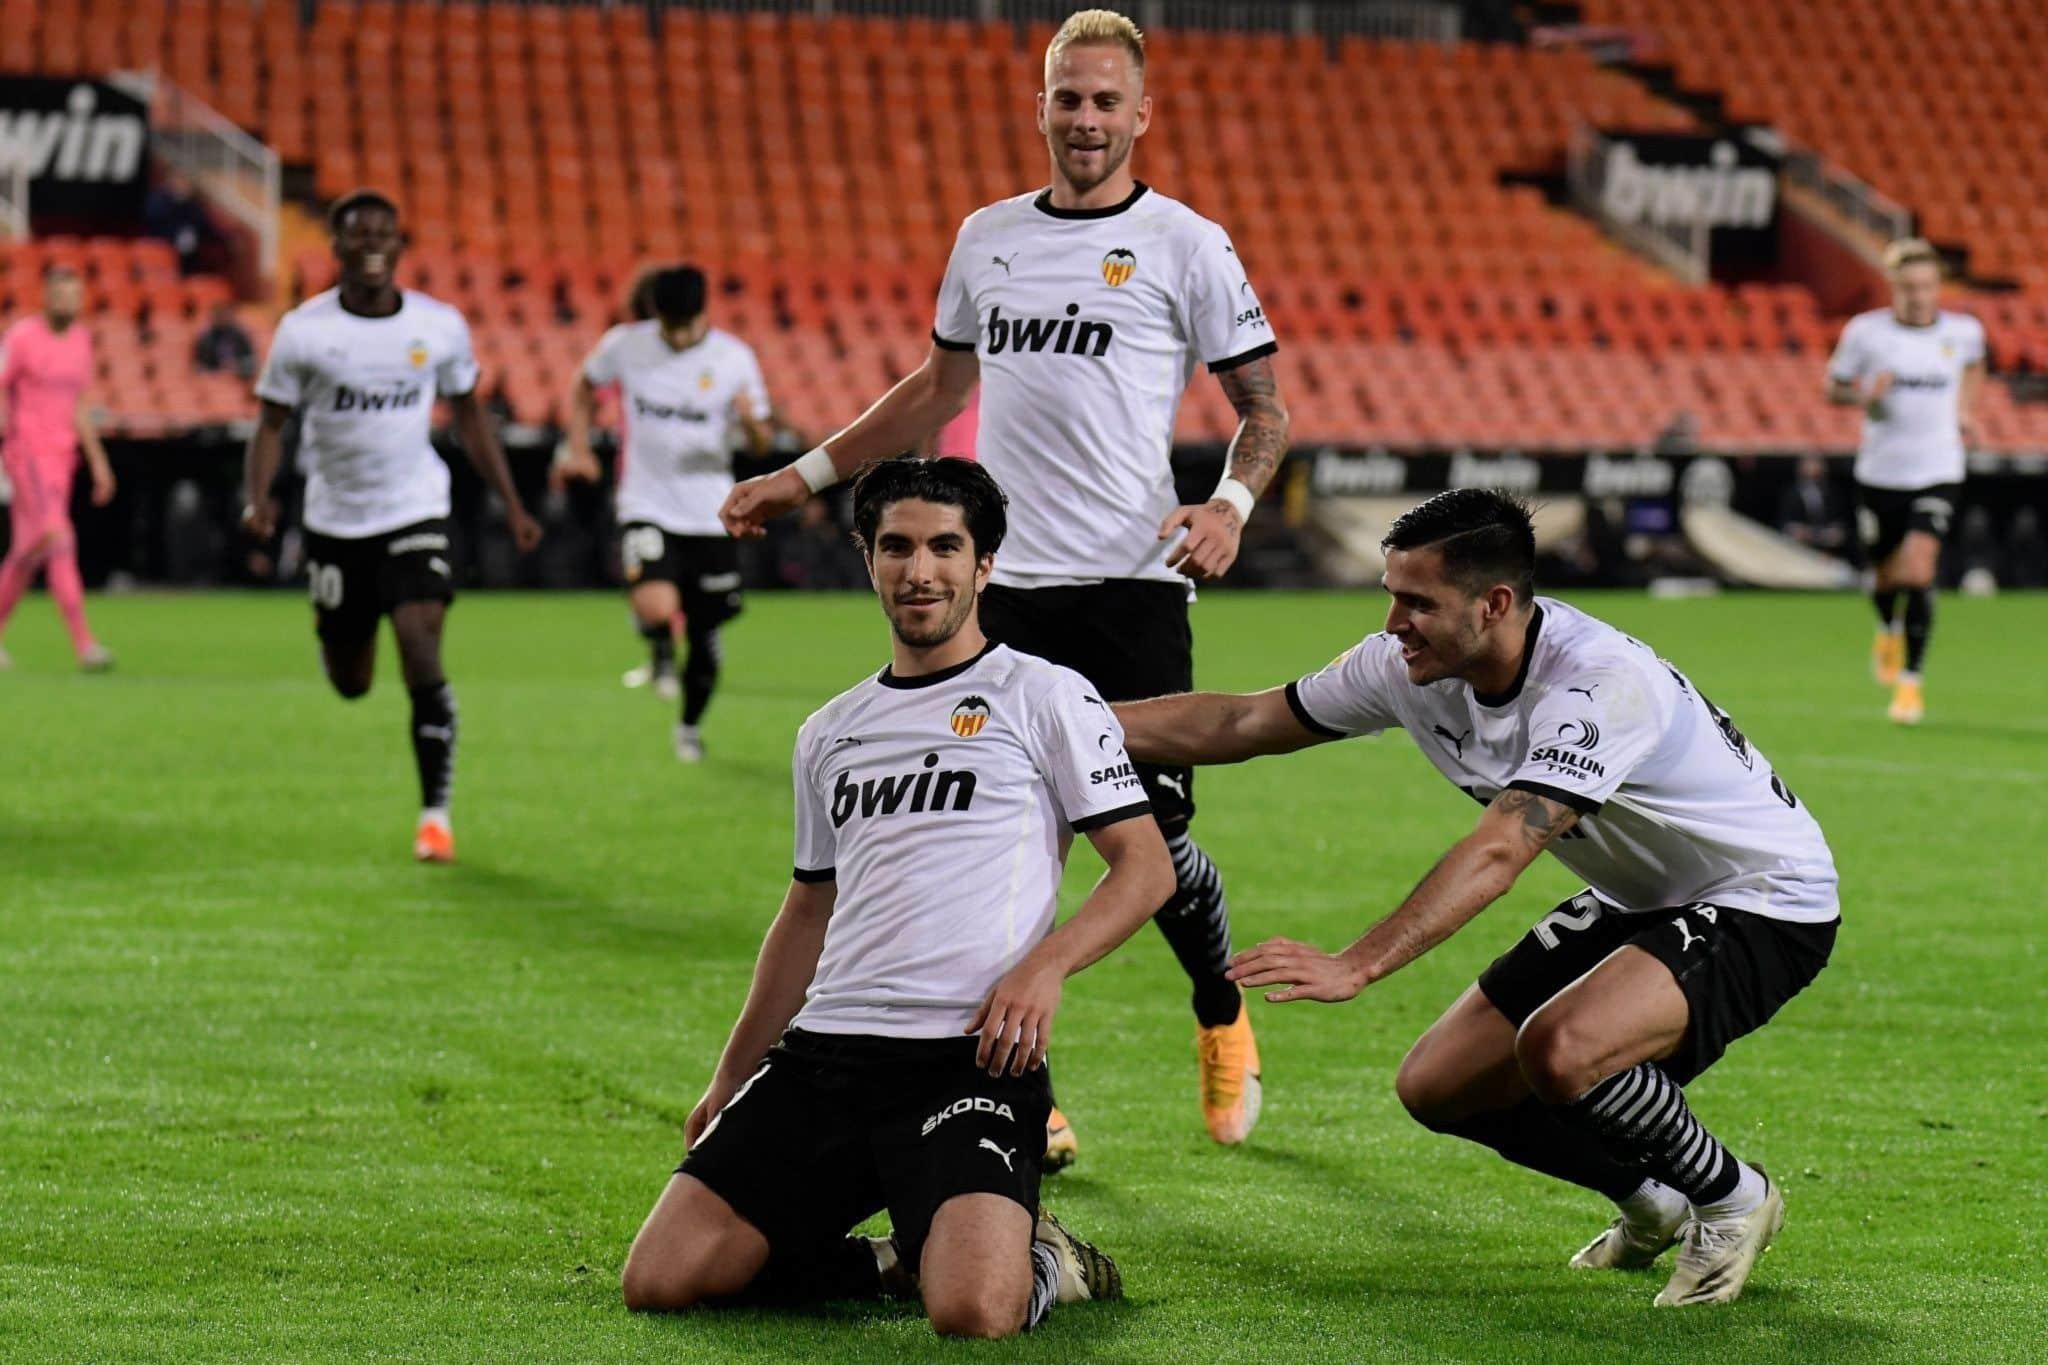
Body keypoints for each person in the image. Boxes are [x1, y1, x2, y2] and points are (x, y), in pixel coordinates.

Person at [719, 8, 1291, 1161]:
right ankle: (1024, 1085)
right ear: (1039, 109)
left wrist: (1226, 508)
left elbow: (1263, 410)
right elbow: (934, 391)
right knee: (992, 837)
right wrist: (806, 472)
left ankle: (1218, 1009)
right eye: (1065, 99)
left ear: (1139, 115)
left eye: (1103, 101)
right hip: (1005, 588)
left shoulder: (1185, 242)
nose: (1084, 120)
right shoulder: (986, 238)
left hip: (1132, 586)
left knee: (1157, 849)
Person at [1113, 489, 1840, 1308]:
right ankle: (1653, 1198)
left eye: (1417, 601)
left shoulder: (1601, 684)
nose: (1394, 622)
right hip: (1643, 893)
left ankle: (1733, 1195)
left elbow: (1504, 848)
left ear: (1495, 604)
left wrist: (1358, 963)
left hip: (1764, 897)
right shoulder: (1406, 668)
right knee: (1440, 1084)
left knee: (1561, 1049)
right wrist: (1072, 721)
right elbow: (1242, 723)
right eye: (1391, 595)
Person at [623, 458, 1166, 1337]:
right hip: (826, 1056)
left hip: (968, 1057)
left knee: (972, 1311)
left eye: (945, 546)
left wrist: (1045, 966)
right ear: (868, 559)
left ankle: (1041, 1255)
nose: (921, 570)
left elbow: (1145, 866)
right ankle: (890, 1255)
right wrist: (732, 1074)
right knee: (662, 1277)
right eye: (898, 546)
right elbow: (806, 910)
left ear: (984, 563)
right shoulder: (830, 731)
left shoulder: (1046, 696)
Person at [242, 189, 542, 863]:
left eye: (386, 232)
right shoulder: (305, 331)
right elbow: (270, 424)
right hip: (334, 521)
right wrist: (258, 497)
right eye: (359, 233)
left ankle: (435, 814)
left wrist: (512, 502)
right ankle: (339, 633)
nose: (373, 243)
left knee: (419, 635)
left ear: (399, 246)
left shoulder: (437, 326)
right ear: (339, 246)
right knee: (351, 680)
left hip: (414, 507)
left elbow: (468, 417)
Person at [557, 266, 771, 760]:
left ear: (704, 313)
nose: (676, 335)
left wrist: (749, 424)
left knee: (705, 635)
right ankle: (657, 647)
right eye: (668, 324)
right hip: (646, 501)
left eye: (685, 325)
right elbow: (582, 387)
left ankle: (690, 728)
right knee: (655, 603)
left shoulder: (733, 358)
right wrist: (578, 447)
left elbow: (761, 440)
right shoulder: (626, 346)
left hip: (710, 511)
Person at [1825, 237, 1983, 725]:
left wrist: (1967, 413)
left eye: (1927, 285)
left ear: (1939, 286)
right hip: (1881, 472)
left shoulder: (1964, 331)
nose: (1918, 295)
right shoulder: (1866, 334)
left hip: (1938, 469)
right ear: (1893, 286)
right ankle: (1886, 624)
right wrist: (1864, 397)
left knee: (1918, 571)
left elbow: (1974, 367)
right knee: (1886, 575)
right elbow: (1832, 387)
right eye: (1908, 286)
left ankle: (1910, 684)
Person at [0, 265, 116, 672]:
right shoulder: (21, 338)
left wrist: (99, 461)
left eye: (75, 295)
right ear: (46, 296)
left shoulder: (82, 341)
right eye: (61, 295)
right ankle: (85, 645)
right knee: (58, 536)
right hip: (27, 453)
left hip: (62, 458)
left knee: (27, 551)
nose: (69, 303)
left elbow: (79, 406)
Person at [193, 301, 257, 380]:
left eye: (226, 315)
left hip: (238, 373)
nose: (223, 319)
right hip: (215, 376)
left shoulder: (240, 336)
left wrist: (236, 365)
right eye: (220, 316)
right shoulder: (206, 339)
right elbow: (200, 364)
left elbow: (250, 358)